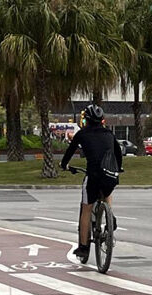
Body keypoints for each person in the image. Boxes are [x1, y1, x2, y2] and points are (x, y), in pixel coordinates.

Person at [59, 104, 123, 260]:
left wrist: (64, 165)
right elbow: (118, 153)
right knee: (107, 190)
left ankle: (83, 247)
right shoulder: (109, 134)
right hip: (110, 175)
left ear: (86, 120)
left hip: (93, 176)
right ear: (102, 120)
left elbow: (69, 152)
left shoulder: (82, 134)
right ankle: (110, 217)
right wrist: (118, 168)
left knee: (86, 208)